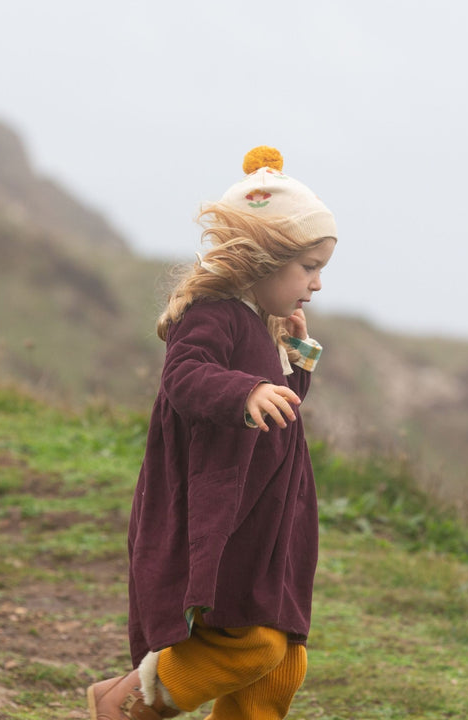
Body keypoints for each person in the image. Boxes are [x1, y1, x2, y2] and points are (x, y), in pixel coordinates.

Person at [87, 146, 337, 720]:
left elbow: (281, 411)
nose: (318, 284)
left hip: (268, 515)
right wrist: (243, 393)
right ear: (261, 260)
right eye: (309, 267)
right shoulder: (210, 314)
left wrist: (294, 363)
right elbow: (185, 376)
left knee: (283, 658)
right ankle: (129, 701)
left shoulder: (256, 323)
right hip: (224, 512)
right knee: (254, 642)